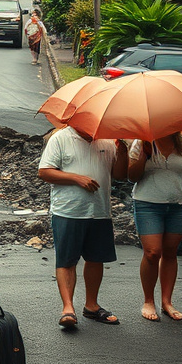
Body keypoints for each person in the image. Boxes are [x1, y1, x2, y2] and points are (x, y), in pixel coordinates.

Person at [38, 125, 127, 328]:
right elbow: (44, 172)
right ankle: (68, 308)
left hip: (100, 209)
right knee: (67, 259)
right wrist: (76, 178)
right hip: (68, 210)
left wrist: (122, 151)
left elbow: (120, 175)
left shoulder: (107, 141)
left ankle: (91, 306)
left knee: (95, 259)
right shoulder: (61, 137)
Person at [128, 134, 182, 321]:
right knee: (152, 252)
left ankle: (167, 301)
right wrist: (144, 154)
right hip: (147, 204)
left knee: (170, 252)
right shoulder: (142, 142)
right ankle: (148, 300)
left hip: (178, 205)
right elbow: (131, 177)